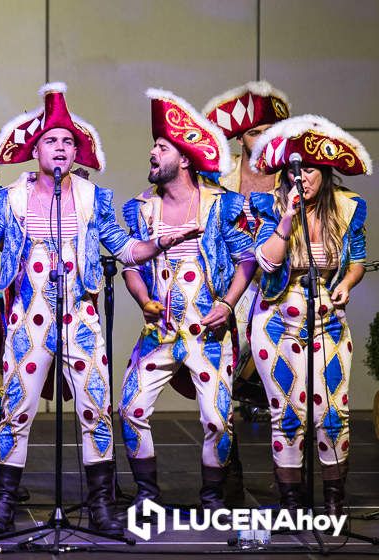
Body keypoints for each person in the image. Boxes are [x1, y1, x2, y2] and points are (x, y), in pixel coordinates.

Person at [0, 83, 198, 535]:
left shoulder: (92, 197)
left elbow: (125, 250)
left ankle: (101, 505)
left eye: (68, 141)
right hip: (28, 320)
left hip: (81, 320)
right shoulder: (12, 198)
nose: (61, 148)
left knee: (95, 409)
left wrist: (161, 242)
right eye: (52, 140)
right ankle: (5, 502)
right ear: (37, 150)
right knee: (17, 408)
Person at [118, 89, 256, 514]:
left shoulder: (219, 205)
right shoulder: (141, 209)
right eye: (154, 147)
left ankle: (212, 498)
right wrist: (143, 298)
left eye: (161, 147)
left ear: (185, 158)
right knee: (130, 408)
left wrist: (228, 304)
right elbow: (129, 264)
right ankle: (147, 495)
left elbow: (246, 259)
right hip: (158, 330)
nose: (152, 154)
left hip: (209, 330)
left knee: (216, 419)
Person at [248, 114, 370, 516]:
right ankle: (292, 504)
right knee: (288, 413)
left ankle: (335, 502)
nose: (304, 177)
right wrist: (287, 216)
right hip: (277, 317)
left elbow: (356, 261)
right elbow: (266, 263)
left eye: (312, 169)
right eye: (296, 170)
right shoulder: (269, 205)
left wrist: (346, 284)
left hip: (328, 315)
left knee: (332, 411)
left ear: (326, 171)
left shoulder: (347, 208)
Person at [200, 80, 292, 505]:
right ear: (241, 135)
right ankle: (228, 470)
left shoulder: (295, 181)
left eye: (274, 130)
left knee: (285, 387)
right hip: (232, 288)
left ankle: (289, 475)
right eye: (257, 130)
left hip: (277, 290)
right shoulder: (221, 175)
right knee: (220, 385)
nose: (264, 139)